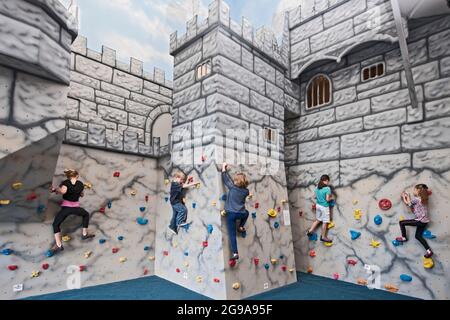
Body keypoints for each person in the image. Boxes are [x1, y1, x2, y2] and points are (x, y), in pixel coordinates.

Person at [49, 169, 95, 255]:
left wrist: (55, 189)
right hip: (76, 208)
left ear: (68, 176)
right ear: (77, 176)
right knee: (86, 214)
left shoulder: (66, 183)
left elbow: (63, 191)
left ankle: (59, 245)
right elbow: (82, 194)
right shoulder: (80, 184)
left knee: (56, 224)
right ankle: (84, 233)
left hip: (67, 208)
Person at [396, 184, 433, 258]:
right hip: (424, 221)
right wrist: (408, 197)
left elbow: (408, 204)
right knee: (418, 236)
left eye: (414, 190)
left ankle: (404, 238)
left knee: (401, 222)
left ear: (418, 191)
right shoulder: (423, 199)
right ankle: (429, 251)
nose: (414, 191)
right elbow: (411, 205)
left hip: (420, 221)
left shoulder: (417, 199)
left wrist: (404, 196)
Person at [222, 163, 250, 260]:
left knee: (232, 234)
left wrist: (223, 168)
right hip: (241, 213)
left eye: (235, 180)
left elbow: (226, 180)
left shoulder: (232, 187)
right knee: (247, 213)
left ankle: (235, 253)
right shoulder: (246, 191)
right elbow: (236, 185)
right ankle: (241, 226)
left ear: (236, 182)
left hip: (230, 214)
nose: (233, 181)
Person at [306, 174, 333, 243]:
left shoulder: (317, 187)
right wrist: (331, 198)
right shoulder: (327, 188)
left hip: (318, 206)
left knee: (318, 219)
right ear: (326, 180)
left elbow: (314, 197)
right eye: (328, 181)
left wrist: (320, 197)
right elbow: (327, 199)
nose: (328, 183)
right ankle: (323, 237)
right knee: (325, 222)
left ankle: (310, 231)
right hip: (324, 207)